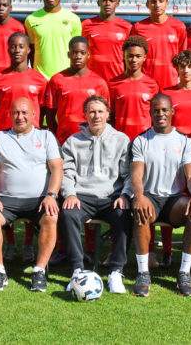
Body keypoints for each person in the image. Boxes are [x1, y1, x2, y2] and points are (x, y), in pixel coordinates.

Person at [124, 94, 191, 297]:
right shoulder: (141, 140)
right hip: (149, 196)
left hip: (173, 200)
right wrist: (139, 196)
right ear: (150, 113)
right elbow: (136, 174)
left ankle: (184, 273)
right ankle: (143, 273)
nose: (160, 114)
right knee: (141, 211)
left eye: (164, 110)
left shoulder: (184, 141)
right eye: (156, 110)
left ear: (172, 112)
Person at [0, 98, 63, 292]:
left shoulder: (46, 136)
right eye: (16, 113)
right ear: (9, 115)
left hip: (40, 199)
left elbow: (57, 168)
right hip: (6, 200)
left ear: (34, 115)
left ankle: (39, 271)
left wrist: (51, 194)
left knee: (51, 216)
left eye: (25, 113)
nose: (20, 117)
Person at [58, 95, 132, 294]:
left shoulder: (121, 140)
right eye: (92, 112)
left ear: (108, 114)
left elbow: (129, 174)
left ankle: (116, 271)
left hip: (111, 197)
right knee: (68, 213)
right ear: (85, 115)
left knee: (124, 214)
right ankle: (77, 270)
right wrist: (70, 194)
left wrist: (125, 195)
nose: (96, 115)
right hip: (82, 197)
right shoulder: (73, 142)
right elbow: (66, 172)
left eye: (100, 111)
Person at [43, 36, 110, 145]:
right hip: (64, 141)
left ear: (88, 55)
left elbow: (106, 116)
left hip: (92, 142)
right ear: (68, 55)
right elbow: (50, 114)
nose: (78, 56)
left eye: (82, 53)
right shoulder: (57, 80)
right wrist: (55, 137)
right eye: (75, 52)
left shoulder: (99, 82)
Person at [130, 0, 188, 91]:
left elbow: (182, 56)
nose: (157, 5)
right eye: (153, 2)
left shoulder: (179, 26)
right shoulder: (138, 27)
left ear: (167, 3)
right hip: (145, 82)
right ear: (147, 4)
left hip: (171, 82)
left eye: (161, 1)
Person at [0, 33, 47, 134]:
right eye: (13, 47)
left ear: (28, 50)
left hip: (30, 135)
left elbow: (42, 110)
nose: (17, 50)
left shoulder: (40, 80)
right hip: (4, 134)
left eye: (21, 47)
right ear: (8, 50)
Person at [25, 0, 82, 79]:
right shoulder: (31, 20)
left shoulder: (74, 19)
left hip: (65, 77)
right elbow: (31, 51)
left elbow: (77, 51)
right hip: (40, 78)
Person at [108, 35, 160, 140]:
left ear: (144, 57)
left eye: (138, 56)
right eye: (130, 55)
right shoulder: (112, 84)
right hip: (120, 140)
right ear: (124, 56)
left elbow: (156, 117)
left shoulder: (152, 85)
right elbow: (109, 116)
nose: (134, 59)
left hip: (145, 140)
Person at [81, 0, 132, 83]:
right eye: (104, 0)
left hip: (117, 79)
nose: (107, 3)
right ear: (98, 2)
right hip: (92, 80)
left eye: (111, 0)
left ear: (117, 3)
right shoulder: (86, 25)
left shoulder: (127, 27)